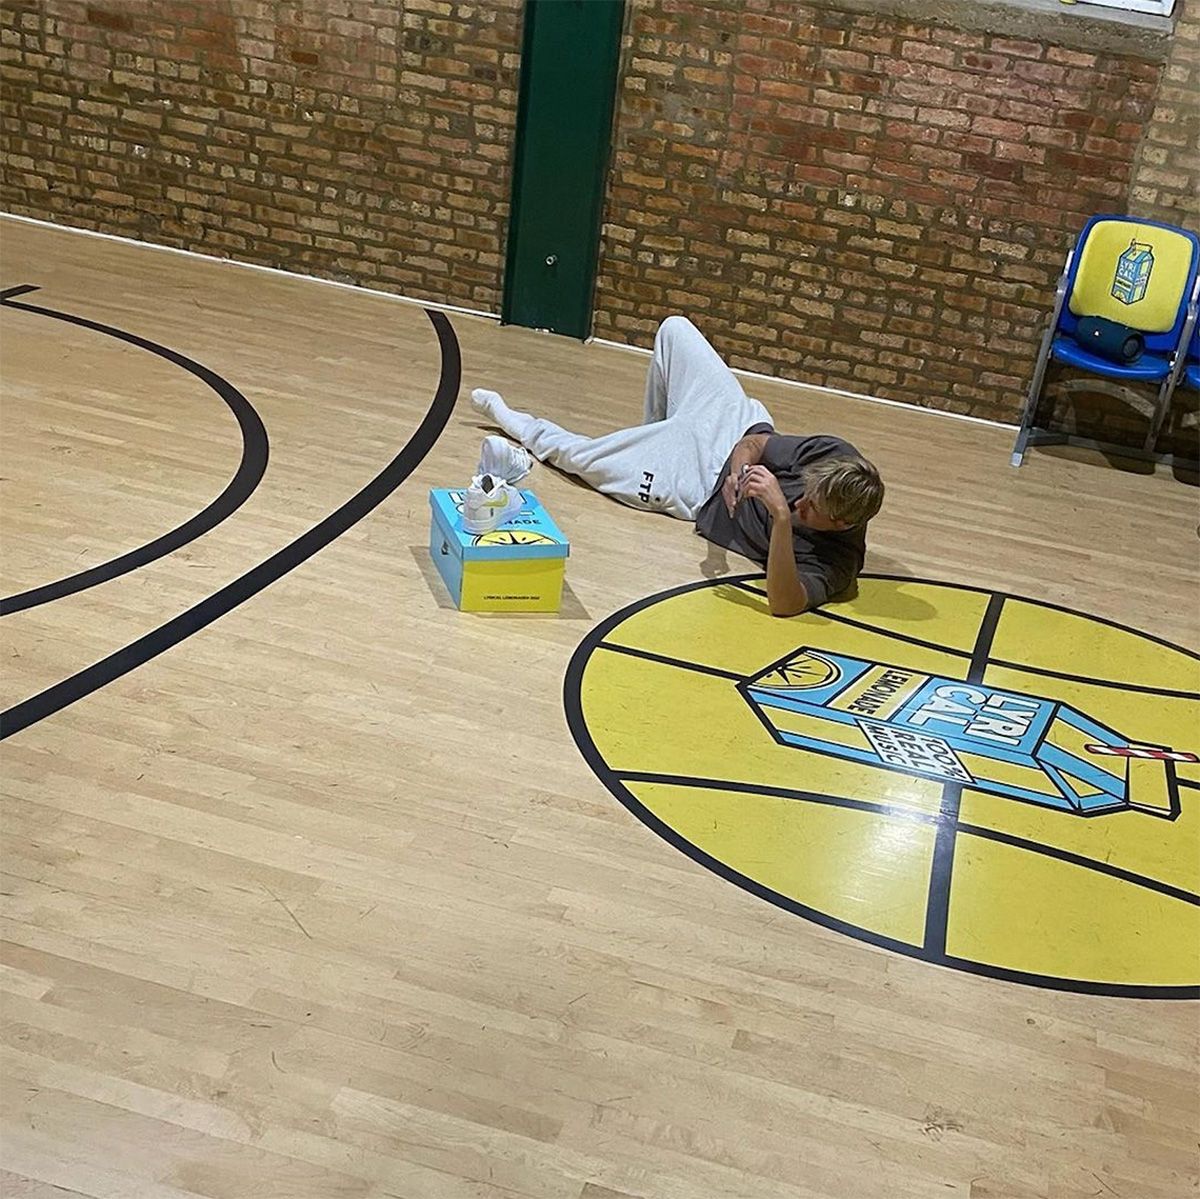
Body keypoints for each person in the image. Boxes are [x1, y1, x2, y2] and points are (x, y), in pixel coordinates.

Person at [471, 315, 884, 616]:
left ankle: (516, 424)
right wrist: (739, 469)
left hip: (695, 485)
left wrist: (779, 517)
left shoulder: (838, 563)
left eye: (811, 510)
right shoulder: (835, 455)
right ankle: (652, 437)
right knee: (675, 330)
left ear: (842, 523)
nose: (800, 505)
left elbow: (784, 603)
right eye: (804, 495)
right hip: (733, 421)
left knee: (582, 459)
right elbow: (757, 442)